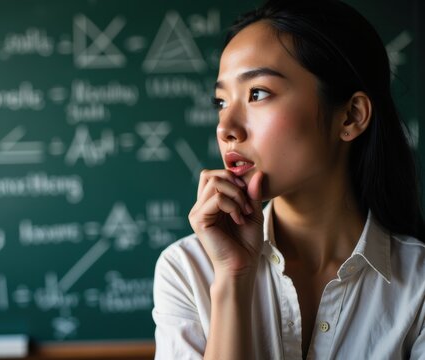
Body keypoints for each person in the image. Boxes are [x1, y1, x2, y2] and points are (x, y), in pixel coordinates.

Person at [152, 0, 425, 358]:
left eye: (257, 93)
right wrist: (234, 277)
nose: (226, 128)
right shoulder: (188, 269)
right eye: (221, 102)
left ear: (350, 117)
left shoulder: (418, 284)